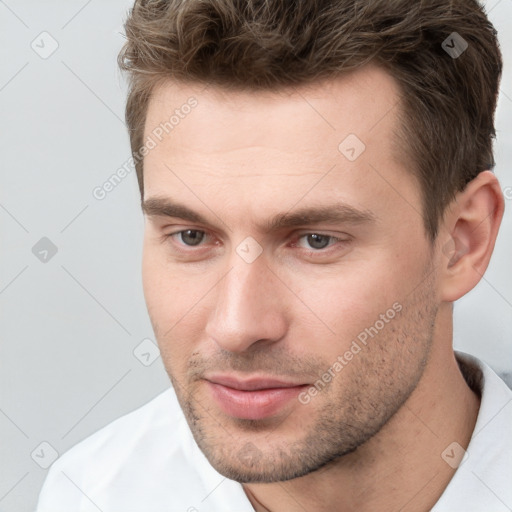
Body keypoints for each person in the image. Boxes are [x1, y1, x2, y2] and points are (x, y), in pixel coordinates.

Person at [36, 0, 511, 510]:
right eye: (191, 237)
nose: (238, 327)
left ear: (463, 242)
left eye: (316, 241)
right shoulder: (92, 496)